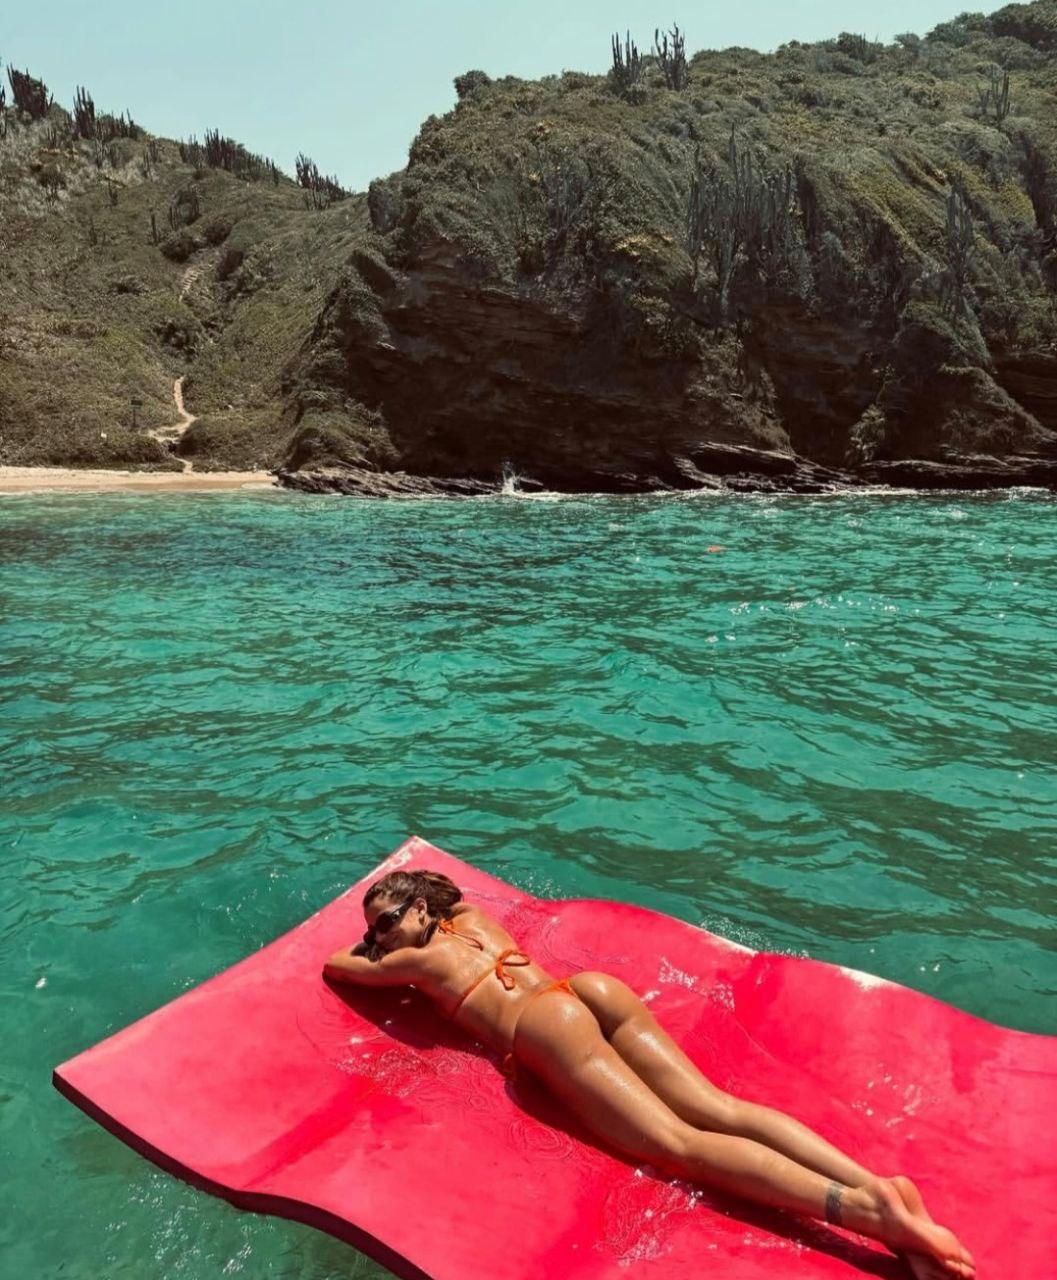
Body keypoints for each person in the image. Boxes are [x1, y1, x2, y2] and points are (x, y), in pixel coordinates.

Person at [323, 869, 974, 1280]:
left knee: (676, 1144)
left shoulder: (418, 961)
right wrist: (407, 915)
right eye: (375, 930)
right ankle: (880, 1188)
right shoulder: (471, 921)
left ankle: (865, 1213)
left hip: (546, 1027)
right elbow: (447, 903)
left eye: (386, 922)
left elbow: (339, 967)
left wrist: (371, 949)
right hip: (588, 990)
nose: (381, 936)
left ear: (419, 909)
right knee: (717, 1106)